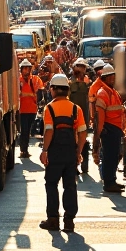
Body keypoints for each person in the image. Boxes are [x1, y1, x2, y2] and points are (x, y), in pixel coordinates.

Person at [39, 73, 87, 232]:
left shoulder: (49, 108)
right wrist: (78, 152)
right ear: (67, 90)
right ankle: (69, 221)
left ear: (53, 89)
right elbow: (82, 133)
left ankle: (53, 220)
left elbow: (49, 131)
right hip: (70, 153)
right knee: (70, 186)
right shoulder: (76, 109)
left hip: (55, 153)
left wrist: (44, 150)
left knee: (51, 184)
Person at [93, 64, 126, 193]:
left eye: (113, 76)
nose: (113, 79)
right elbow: (100, 117)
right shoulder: (103, 93)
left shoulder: (113, 92)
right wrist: (100, 132)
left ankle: (112, 179)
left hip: (116, 129)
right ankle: (108, 183)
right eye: (110, 77)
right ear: (104, 78)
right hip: (109, 129)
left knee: (114, 156)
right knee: (109, 157)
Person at [66, 58, 94, 174]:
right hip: (73, 116)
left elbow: (92, 98)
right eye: (78, 67)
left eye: (82, 67)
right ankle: (75, 165)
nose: (80, 69)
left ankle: (84, 163)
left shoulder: (89, 83)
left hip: (85, 116)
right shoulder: (70, 83)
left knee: (84, 140)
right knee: (73, 141)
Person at [16, 59, 42, 158]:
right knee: (24, 130)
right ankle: (23, 150)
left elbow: (40, 93)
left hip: (32, 109)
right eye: (25, 69)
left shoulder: (35, 79)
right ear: (21, 69)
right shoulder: (18, 80)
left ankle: (24, 149)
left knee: (28, 130)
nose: (26, 71)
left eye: (28, 69)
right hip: (21, 110)